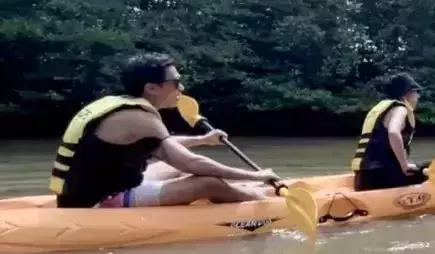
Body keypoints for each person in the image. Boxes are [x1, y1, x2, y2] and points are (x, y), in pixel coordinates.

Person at [48, 53, 281, 209]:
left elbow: (162, 148)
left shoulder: (119, 105)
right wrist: (255, 175)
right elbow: (192, 164)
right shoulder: (140, 117)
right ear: (151, 87)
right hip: (99, 201)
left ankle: (240, 189)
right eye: (175, 81)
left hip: (89, 190)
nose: (181, 87)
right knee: (208, 183)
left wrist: (202, 139)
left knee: (169, 166)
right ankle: (267, 203)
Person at [351, 72, 434, 191]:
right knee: (433, 167)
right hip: (381, 179)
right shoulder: (400, 109)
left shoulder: (381, 109)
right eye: (416, 92)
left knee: (417, 168)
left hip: (362, 179)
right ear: (407, 94)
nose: (418, 96)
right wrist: (404, 165)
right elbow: (393, 132)